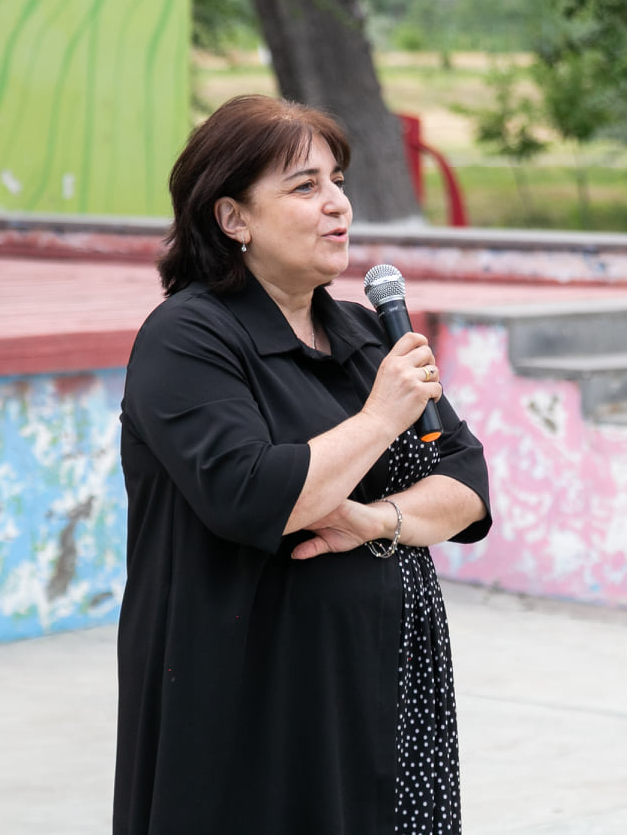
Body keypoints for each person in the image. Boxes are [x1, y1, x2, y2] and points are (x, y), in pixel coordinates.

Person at [112, 95, 492, 834]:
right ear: (234, 219)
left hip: (387, 678)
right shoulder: (187, 339)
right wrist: (379, 420)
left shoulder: (362, 333)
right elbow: (256, 495)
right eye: (304, 186)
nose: (337, 204)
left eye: (337, 182)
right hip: (258, 690)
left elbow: (466, 480)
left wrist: (378, 521)